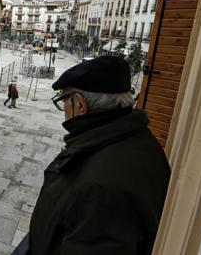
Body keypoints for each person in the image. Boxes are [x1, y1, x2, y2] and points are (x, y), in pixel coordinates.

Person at [14, 56, 170, 255]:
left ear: (79, 104)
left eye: (64, 101)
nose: (65, 111)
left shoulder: (99, 188)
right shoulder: (140, 141)